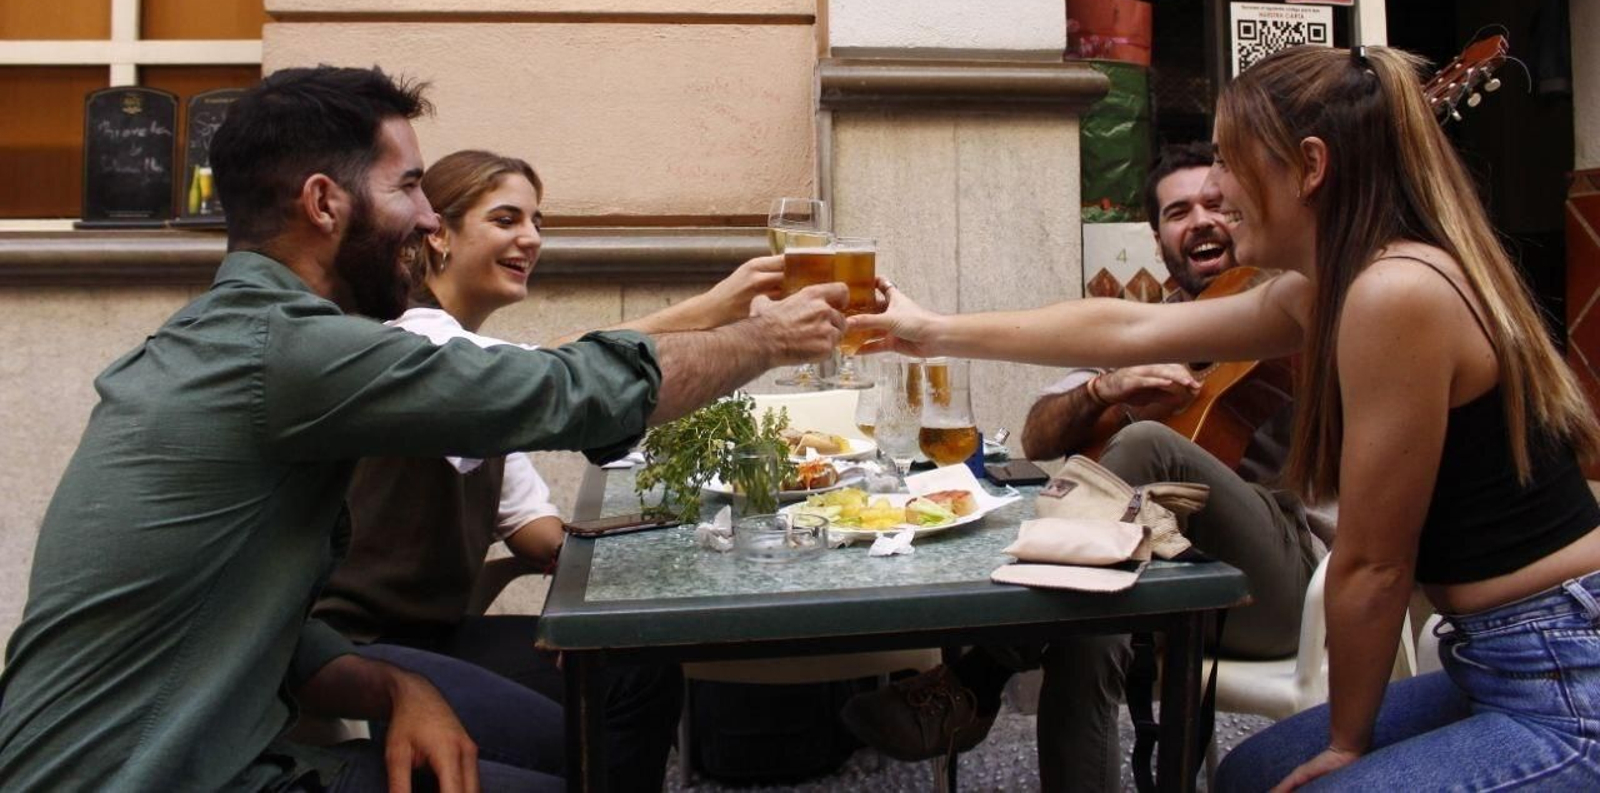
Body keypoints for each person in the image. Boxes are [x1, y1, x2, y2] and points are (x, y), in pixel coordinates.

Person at [0, 67, 844, 793]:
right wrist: (765, 338)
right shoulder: (289, 352)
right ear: (324, 203)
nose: (429, 219)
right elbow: (570, 393)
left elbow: (250, 615)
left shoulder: (237, 339)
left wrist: (394, 689)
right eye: (408, 187)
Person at [851, 45, 1600, 791]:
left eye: (1231, 161)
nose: (1216, 188)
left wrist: (1347, 744)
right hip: (1495, 654)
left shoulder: (1393, 292)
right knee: (1250, 772)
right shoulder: (1336, 287)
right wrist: (935, 329)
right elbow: (1125, 330)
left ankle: (977, 675)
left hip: (1564, 670)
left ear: (1309, 167)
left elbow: (1375, 565)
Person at [842, 142, 1322, 791]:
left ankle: (979, 676)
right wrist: (1107, 390)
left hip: (1277, 586)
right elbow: (1041, 433)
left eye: (1218, 204)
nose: (1202, 220)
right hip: (1166, 581)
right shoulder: (1156, 321)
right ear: (1159, 241)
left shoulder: (1302, 299)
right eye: (1179, 211)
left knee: (1144, 451)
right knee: (1090, 603)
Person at [315, 149, 783, 792]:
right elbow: (555, 376)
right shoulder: (413, 342)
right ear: (439, 234)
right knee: (583, 735)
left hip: (439, 635)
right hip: (351, 652)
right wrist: (720, 307)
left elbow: (533, 529)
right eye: (506, 219)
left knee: (634, 667)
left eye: (537, 220)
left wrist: (669, 545)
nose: (530, 238)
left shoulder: (475, 362)